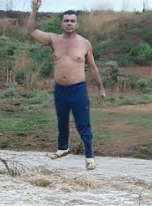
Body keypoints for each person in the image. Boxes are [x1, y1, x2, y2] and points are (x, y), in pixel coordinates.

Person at [27, 0, 106, 170]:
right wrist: (34, 10)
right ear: (61, 23)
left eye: (72, 21)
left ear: (77, 24)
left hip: (78, 89)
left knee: (82, 123)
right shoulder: (53, 39)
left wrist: (101, 88)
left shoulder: (85, 43)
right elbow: (32, 30)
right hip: (60, 89)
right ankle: (63, 148)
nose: (69, 23)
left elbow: (92, 67)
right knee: (62, 122)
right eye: (66, 20)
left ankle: (90, 156)